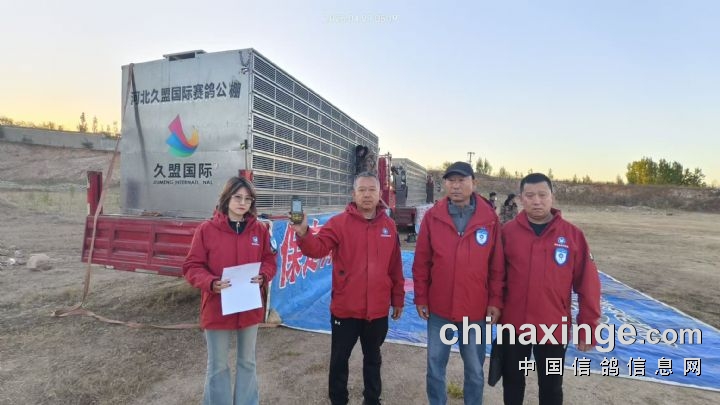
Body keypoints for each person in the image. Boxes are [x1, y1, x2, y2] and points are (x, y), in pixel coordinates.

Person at [291, 172, 405, 405]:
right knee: (339, 360)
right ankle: (338, 400)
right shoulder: (339, 223)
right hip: (345, 309)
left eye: (372, 190)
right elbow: (317, 249)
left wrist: (398, 298)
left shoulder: (389, 226)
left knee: (373, 358)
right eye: (361, 190)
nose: (367, 195)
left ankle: (372, 399)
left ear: (380, 194)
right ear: (353, 194)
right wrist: (303, 232)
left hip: (377, 310)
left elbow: (395, 266)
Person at [500, 173, 601, 405]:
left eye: (542, 195)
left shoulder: (572, 236)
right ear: (521, 198)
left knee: (551, 386)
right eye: (530, 195)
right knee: (512, 381)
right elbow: (496, 277)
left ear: (552, 197)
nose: (537, 201)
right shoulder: (507, 233)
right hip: (514, 324)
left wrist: (588, 327)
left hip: (553, 325)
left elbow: (588, 285)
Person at [412, 161, 505, 405]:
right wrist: (421, 296)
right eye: (451, 181)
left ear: (474, 183)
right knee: (435, 366)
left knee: (474, 369)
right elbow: (421, 261)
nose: (455, 186)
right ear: (444, 184)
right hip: (440, 309)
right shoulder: (433, 217)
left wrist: (495, 301)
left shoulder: (489, 219)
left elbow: (496, 266)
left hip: (475, 310)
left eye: (461, 180)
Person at [183, 176, 277, 405]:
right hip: (217, 306)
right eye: (237, 197)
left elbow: (269, 260)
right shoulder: (206, 230)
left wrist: (264, 275)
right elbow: (192, 266)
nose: (242, 203)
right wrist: (211, 283)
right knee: (218, 365)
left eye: (248, 199)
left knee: (247, 362)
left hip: (249, 306)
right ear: (226, 198)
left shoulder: (260, 230)